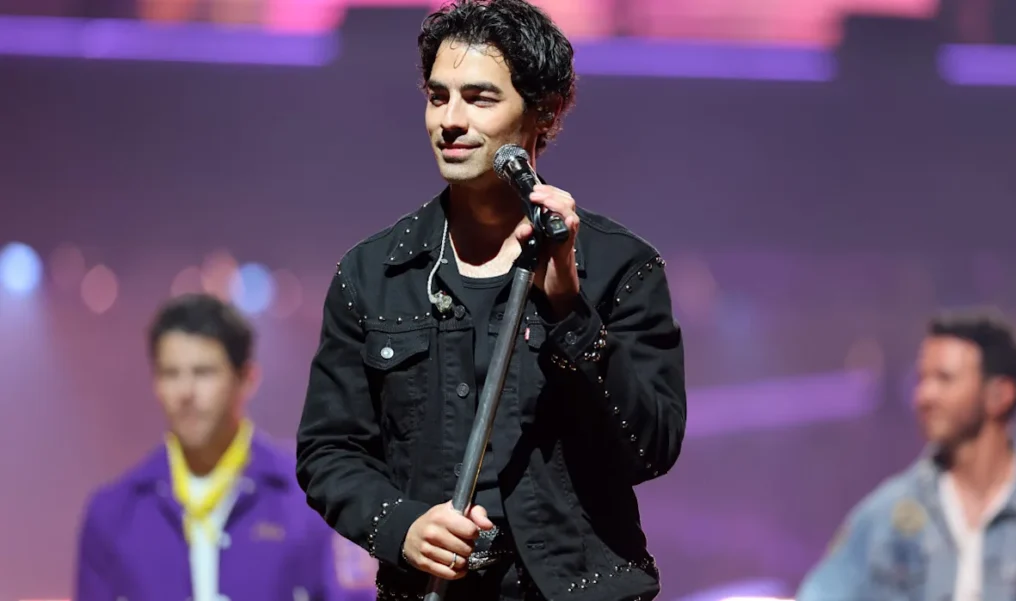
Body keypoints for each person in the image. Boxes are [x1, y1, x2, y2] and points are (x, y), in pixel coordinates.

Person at [295, 1, 688, 599]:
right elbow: (329, 451)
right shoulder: (373, 274)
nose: (449, 120)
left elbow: (650, 450)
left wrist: (569, 309)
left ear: (544, 112)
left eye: (479, 99)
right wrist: (402, 527)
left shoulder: (619, 267)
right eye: (438, 97)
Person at [74, 293, 375, 601]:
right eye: (171, 373)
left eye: (203, 372)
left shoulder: (311, 501)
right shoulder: (112, 514)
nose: (186, 392)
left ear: (246, 379)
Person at [796, 309, 1016, 601]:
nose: (924, 396)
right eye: (922, 379)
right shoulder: (885, 517)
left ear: (1000, 395)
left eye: (944, 379)